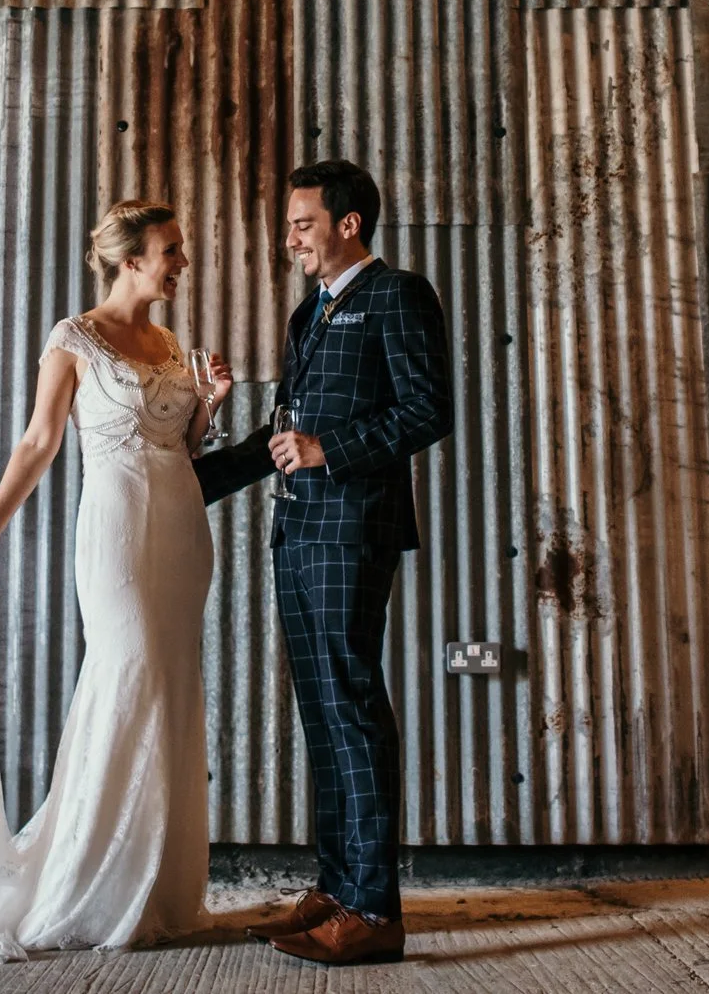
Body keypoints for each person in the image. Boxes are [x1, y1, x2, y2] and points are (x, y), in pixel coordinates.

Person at [0, 200, 230, 963]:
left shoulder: (168, 341)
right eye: (171, 250)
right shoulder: (74, 338)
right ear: (130, 259)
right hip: (118, 524)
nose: (182, 262)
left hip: (182, 528)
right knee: (125, 672)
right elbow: (39, 439)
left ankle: (156, 884)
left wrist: (212, 406)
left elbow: (184, 445)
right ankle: (84, 881)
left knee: (172, 682)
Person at [194, 159, 455, 966]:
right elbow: (279, 441)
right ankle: (337, 888)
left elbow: (429, 408)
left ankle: (374, 910)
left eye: (302, 223)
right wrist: (178, 481)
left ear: (349, 223)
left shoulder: (398, 294)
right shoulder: (310, 312)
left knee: (352, 711)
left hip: (353, 529)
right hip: (297, 533)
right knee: (323, 718)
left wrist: (330, 448)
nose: (291, 238)